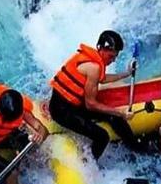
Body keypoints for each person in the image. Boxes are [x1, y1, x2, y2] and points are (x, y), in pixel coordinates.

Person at [49, 30, 143, 160]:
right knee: (102, 136)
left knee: (114, 118)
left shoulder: (94, 62)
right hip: (62, 110)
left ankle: (136, 148)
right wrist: (121, 113)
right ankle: (88, 165)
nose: (113, 60)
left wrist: (126, 73)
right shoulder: (93, 67)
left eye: (115, 57)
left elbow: (102, 79)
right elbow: (91, 104)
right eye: (111, 56)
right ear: (102, 49)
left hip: (72, 103)